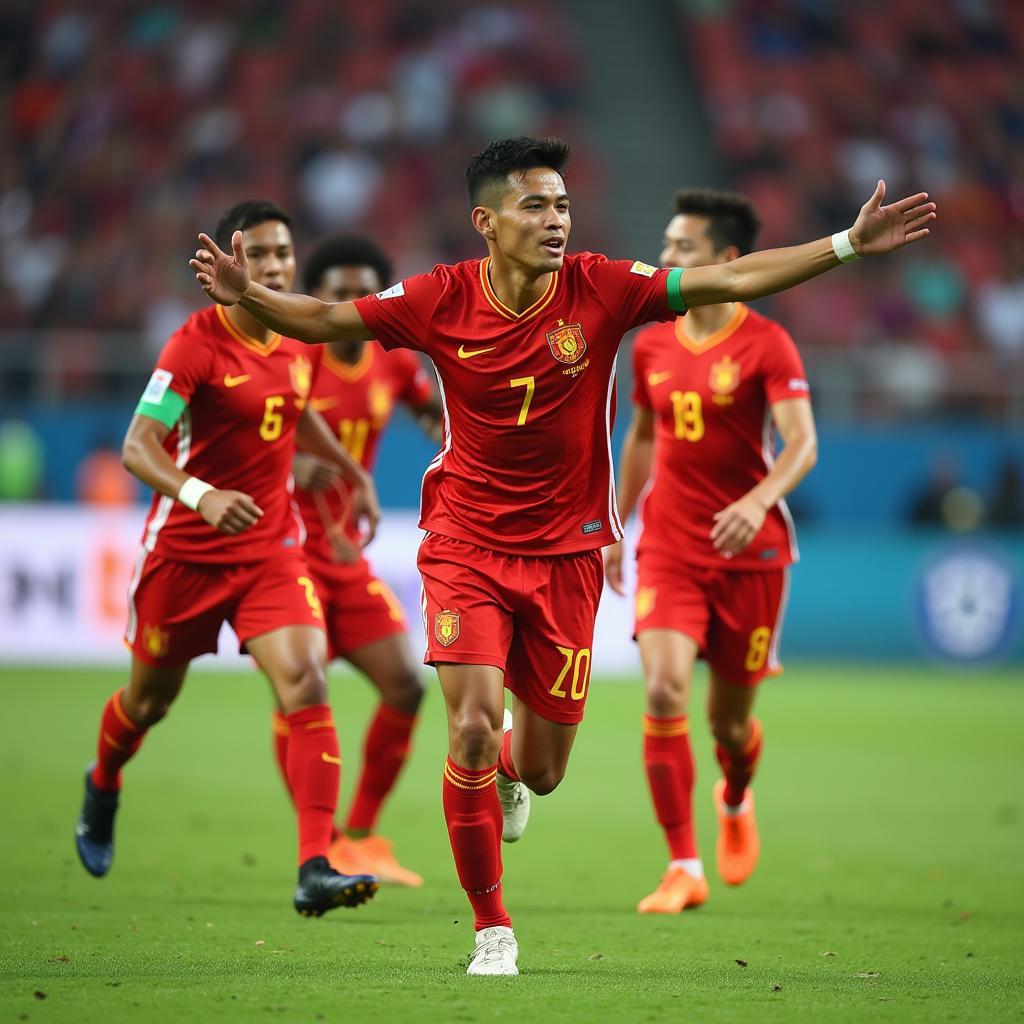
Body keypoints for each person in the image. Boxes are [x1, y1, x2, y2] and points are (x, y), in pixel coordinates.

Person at [189, 137, 936, 975]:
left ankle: (513, 770)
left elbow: (730, 280)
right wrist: (248, 293)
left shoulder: (604, 289)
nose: (556, 221)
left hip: (568, 559)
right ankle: (491, 929)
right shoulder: (438, 297)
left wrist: (845, 245)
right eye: (536, 206)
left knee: (539, 770)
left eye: (563, 206)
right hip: (465, 545)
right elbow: (326, 320)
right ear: (487, 221)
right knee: (470, 726)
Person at [76, 200, 383, 919]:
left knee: (306, 678)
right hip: (183, 555)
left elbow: (297, 406)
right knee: (149, 702)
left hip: (270, 550)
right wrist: (199, 494)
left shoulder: (299, 334)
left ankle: (315, 864)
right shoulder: (194, 346)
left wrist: (349, 469)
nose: (275, 267)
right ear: (232, 260)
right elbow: (136, 448)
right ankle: (103, 782)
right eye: (261, 255)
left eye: (283, 255)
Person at [602, 189, 818, 914]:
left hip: (752, 553)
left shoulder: (767, 342)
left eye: (682, 248)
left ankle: (735, 794)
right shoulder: (654, 340)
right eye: (666, 244)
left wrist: (757, 500)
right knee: (663, 689)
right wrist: (615, 521)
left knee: (728, 723)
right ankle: (682, 865)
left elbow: (802, 445)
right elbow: (639, 436)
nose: (666, 259)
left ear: (726, 261)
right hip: (669, 544)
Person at [275, 235, 443, 886]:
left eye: (362, 291)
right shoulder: (294, 356)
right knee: (298, 695)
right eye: (339, 292)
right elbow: (237, 431)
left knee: (405, 684)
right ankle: (322, 844)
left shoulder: (389, 362)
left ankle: (364, 835)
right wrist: (290, 462)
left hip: (347, 556)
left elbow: (432, 413)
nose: (352, 302)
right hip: (285, 554)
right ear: (320, 298)